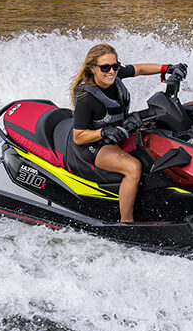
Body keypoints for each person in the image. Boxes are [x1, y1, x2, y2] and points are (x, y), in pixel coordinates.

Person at [69, 43, 187, 223]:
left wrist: (168, 68)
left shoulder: (115, 75)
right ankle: (127, 222)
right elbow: (78, 136)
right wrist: (103, 132)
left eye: (115, 66)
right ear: (92, 68)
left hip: (119, 132)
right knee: (133, 168)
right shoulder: (86, 100)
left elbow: (139, 69)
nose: (111, 71)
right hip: (94, 145)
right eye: (105, 68)